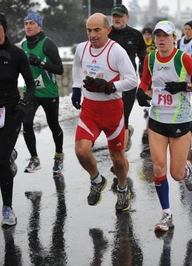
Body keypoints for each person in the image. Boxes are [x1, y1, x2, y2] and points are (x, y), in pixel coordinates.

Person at [135, 20, 192, 232]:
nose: (160, 39)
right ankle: (166, 214)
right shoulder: (150, 59)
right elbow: (145, 82)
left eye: (165, 36)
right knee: (158, 167)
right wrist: (141, 92)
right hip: (157, 120)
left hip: (180, 120)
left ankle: (187, 172)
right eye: (158, 35)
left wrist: (184, 86)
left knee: (175, 173)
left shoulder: (183, 58)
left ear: (174, 38)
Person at [70, 13, 137, 211]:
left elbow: (132, 80)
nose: (92, 35)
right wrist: (75, 88)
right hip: (90, 108)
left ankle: (123, 189)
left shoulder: (116, 51)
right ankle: (97, 180)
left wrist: (109, 87)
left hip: (112, 110)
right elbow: (76, 66)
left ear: (108, 30)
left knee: (117, 158)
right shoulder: (82, 49)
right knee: (81, 151)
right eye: (89, 30)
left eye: (97, 30)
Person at [0, 12, 36, 226]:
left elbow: (31, 84)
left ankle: (7, 208)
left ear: (4, 29)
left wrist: (24, 104)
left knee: (1, 159)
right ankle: (10, 153)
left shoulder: (16, 54)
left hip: (11, 111)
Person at [22, 11, 65, 173]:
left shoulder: (48, 44)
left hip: (49, 92)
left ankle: (59, 155)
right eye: (26, 23)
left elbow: (59, 69)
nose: (28, 26)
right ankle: (34, 159)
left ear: (39, 26)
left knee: (54, 125)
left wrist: (40, 63)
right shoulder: (24, 45)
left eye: (31, 23)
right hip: (31, 92)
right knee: (26, 123)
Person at [109, 4, 147, 152]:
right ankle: (126, 133)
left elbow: (143, 56)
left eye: (120, 16)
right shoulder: (107, 33)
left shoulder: (136, 35)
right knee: (113, 120)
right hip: (111, 82)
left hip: (129, 81)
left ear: (127, 17)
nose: (117, 19)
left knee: (123, 118)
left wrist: (145, 78)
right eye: (114, 16)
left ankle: (119, 158)